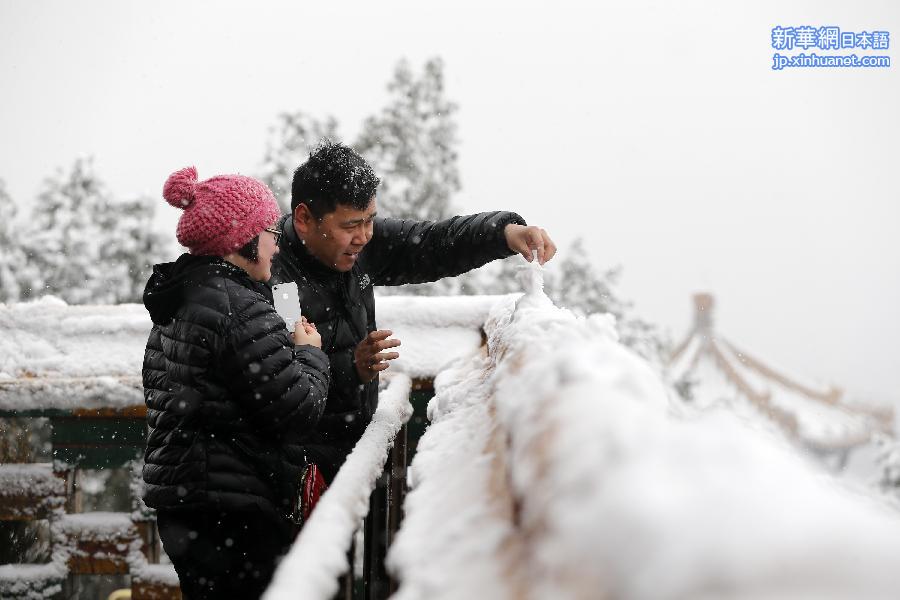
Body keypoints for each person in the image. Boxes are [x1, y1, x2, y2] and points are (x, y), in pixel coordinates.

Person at [269, 141, 556, 481]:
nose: (363, 237)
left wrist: (505, 233)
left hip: (352, 455)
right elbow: (280, 388)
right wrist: (352, 368)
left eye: (370, 221)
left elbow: (434, 244)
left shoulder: (359, 247)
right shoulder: (275, 280)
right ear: (304, 219)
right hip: (296, 471)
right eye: (350, 226)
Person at [141, 166, 330, 599]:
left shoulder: (180, 301)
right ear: (241, 238)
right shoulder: (240, 308)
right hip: (235, 512)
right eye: (269, 231)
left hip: (185, 507)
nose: (277, 243)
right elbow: (299, 412)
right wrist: (309, 352)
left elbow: (171, 393)